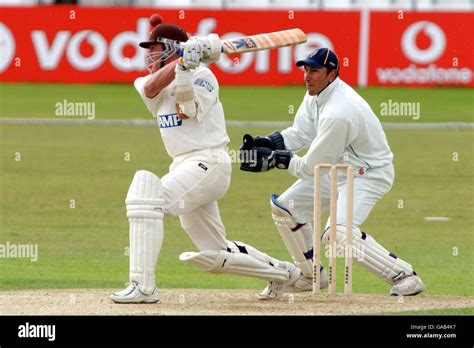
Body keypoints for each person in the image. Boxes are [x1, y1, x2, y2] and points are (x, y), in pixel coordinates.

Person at [111, 15, 302, 303]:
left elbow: (186, 110)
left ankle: (143, 286)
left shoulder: (204, 76)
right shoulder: (149, 82)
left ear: (171, 47)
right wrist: (184, 61)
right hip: (184, 165)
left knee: (147, 196)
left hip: (210, 162)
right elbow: (150, 88)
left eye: (154, 48)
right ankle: (283, 274)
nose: (149, 55)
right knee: (215, 253)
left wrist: (189, 67)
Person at [240, 47, 426, 299]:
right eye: (305, 70)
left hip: (368, 174)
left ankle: (405, 276)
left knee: (337, 233)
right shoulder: (315, 94)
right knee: (286, 209)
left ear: (332, 74)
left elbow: (309, 169)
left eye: (314, 70)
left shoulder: (340, 112)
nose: (307, 76)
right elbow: (301, 133)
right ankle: (311, 275)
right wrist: (269, 142)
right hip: (336, 168)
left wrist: (276, 160)